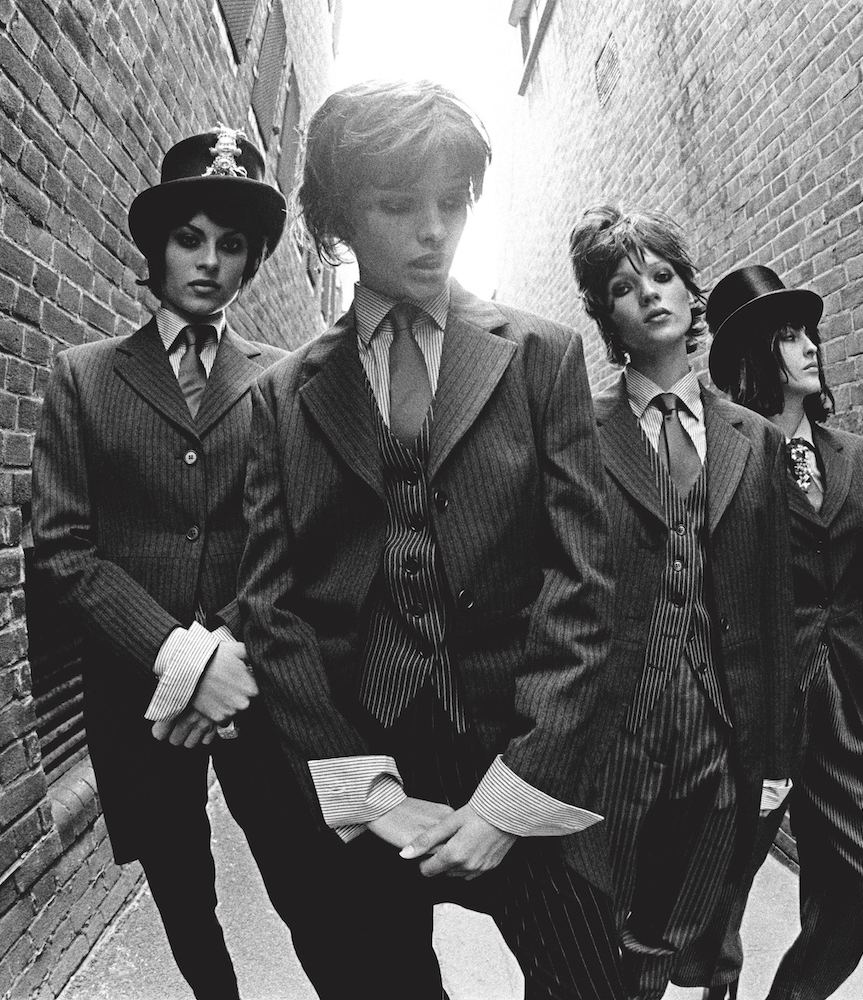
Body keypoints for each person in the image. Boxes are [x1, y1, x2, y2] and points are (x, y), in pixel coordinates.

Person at [237, 80, 625, 999]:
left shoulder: (541, 358)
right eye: (398, 204)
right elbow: (270, 607)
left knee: (593, 985)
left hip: (517, 749)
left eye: (451, 204)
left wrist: (511, 798)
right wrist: (370, 797)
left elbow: (585, 582)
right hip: (365, 751)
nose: (432, 231)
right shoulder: (281, 398)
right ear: (336, 218)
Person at [30, 127, 362, 999]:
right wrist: (181, 659)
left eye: (232, 245)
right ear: (157, 246)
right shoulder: (85, 376)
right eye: (190, 238)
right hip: (141, 698)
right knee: (183, 889)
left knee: (309, 886)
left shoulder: (284, 377)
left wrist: (230, 650)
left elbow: (300, 540)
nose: (209, 261)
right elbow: (61, 549)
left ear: (250, 262)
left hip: (260, 684)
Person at [561, 206, 798, 1000]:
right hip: (610, 724)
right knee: (585, 938)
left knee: (684, 930)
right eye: (624, 288)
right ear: (607, 319)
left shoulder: (752, 441)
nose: (649, 296)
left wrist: (774, 753)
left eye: (662, 276)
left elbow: (774, 604)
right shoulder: (574, 430)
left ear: (693, 297)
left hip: (715, 723)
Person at [698, 264, 863, 1000]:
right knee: (721, 889)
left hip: (842, 700)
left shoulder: (858, 459)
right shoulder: (725, 462)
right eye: (788, 337)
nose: (810, 348)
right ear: (754, 358)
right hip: (758, 710)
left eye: (808, 332)